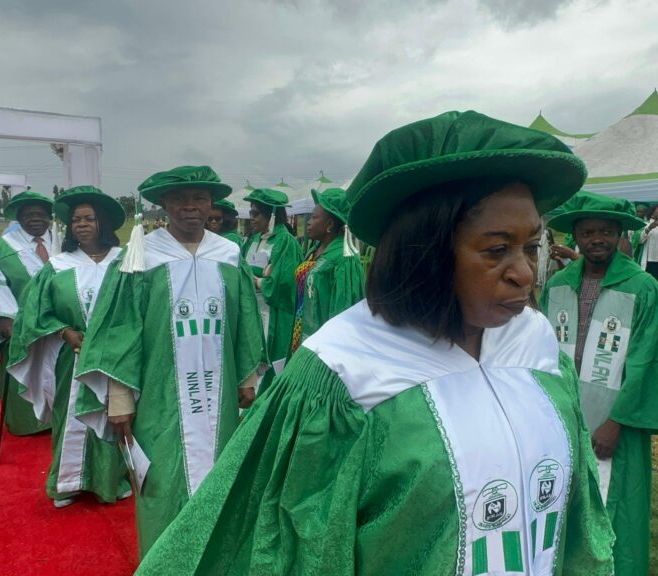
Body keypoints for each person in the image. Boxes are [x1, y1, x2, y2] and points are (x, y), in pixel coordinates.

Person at [137, 110, 614, 575]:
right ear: (424, 251)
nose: (525, 273)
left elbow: (578, 519)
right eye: (497, 250)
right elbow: (290, 552)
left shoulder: (536, 345)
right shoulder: (344, 371)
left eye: (531, 247)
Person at [75, 165, 264, 556]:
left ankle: (214, 559)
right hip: (159, 395)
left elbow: (245, 319)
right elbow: (120, 333)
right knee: (161, 478)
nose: (190, 206)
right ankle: (164, 560)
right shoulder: (142, 256)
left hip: (219, 393)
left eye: (199, 198)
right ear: (163, 203)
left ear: (212, 204)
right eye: (179, 199)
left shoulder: (229, 254)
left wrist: (248, 378)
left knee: (220, 472)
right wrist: (119, 398)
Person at [541, 191, 658, 576]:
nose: (597, 239)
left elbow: (649, 362)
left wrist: (617, 421)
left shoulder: (642, 287)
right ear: (575, 236)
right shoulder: (558, 285)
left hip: (615, 424)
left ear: (620, 235)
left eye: (606, 232)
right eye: (587, 232)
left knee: (616, 510)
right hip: (560, 417)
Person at [6, 186, 131, 508]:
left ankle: (110, 481)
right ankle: (67, 482)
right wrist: (64, 332)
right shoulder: (58, 266)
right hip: (71, 356)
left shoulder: (125, 262)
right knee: (70, 414)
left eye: (89, 218)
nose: (82, 224)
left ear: (104, 222)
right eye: (76, 220)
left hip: (115, 356)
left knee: (112, 414)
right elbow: (34, 313)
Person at [0, 190, 54, 436]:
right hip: (21, 327)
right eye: (29, 215)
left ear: (50, 217)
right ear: (19, 218)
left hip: (62, 327)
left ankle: (58, 419)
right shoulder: (2, 249)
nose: (36, 219)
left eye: (41, 214)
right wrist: (7, 322)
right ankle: (28, 423)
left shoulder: (65, 243)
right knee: (24, 370)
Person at [289, 187, 365, 355]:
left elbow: (344, 310)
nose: (308, 222)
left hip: (322, 345)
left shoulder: (344, 259)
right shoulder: (314, 250)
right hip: (300, 331)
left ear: (330, 224)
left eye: (314, 217)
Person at [241, 188, 301, 378]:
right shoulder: (253, 239)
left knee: (270, 363)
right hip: (251, 308)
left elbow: (284, 284)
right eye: (250, 213)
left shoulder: (285, 242)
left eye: (256, 213)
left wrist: (259, 282)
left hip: (273, 312)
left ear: (272, 215)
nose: (251, 218)